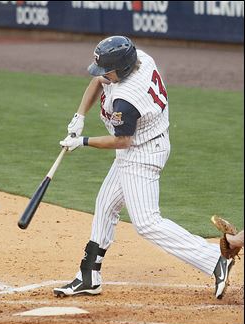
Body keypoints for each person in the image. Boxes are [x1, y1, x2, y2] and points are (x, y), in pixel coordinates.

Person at [54, 36, 236, 299]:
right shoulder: (136, 59)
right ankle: (88, 275)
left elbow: (122, 140)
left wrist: (82, 141)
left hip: (142, 153)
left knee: (147, 223)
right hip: (140, 145)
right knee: (105, 204)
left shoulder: (128, 98)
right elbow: (98, 80)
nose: (104, 74)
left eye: (109, 70)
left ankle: (215, 259)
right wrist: (78, 117)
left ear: (124, 69)